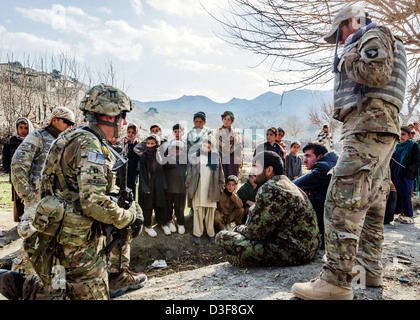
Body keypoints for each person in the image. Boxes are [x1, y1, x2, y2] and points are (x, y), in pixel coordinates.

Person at [292, 5, 407, 300]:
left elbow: (376, 73)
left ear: (350, 22)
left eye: (340, 33)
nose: (340, 42)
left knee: (340, 200)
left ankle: (337, 281)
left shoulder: (373, 33)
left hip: (368, 124)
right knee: (372, 202)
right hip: (380, 127)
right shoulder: (377, 36)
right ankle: (368, 269)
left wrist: (347, 59)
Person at [6, 84, 146, 301]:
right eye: (123, 116)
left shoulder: (71, 136)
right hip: (79, 239)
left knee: (60, 283)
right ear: (109, 116)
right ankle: (26, 286)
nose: (125, 122)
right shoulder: (90, 145)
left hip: (59, 228)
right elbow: (94, 202)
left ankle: (21, 284)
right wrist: (128, 218)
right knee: (90, 293)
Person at [216, 151, 321, 267]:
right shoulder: (287, 183)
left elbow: (255, 234)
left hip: (294, 253)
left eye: (255, 166)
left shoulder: (270, 188)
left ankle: (245, 260)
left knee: (222, 237)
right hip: (309, 249)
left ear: (269, 170)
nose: (252, 171)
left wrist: (239, 228)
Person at [10, 107, 75, 275]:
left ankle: (43, 279)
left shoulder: (63, 140)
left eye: (72, 124)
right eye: (66, 122)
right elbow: (18, 164)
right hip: (37, 198)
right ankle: (17, 278)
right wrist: (27, 194)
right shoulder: (37, 136)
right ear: (55, 120)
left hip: (56, 199)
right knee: (34, 234)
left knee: (49, 239)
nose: (69, 126)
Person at [294, 142, 339, 250]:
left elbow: (295, 185)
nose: (305, 160)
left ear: (320, 157)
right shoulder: (330, 163)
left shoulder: (323, 168)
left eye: (308, 156)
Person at [186, 137, 224, 244]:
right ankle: (197, 234)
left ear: (212, 148)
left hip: (211, 188)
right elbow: (189, 173)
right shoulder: (195, 157)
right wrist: (188, 185)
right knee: (198, 212)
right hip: (198, 188)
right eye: (204, 145)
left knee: (210, 213)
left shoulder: (215, 157)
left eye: (208, 147)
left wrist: (220, 187)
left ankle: (211, 234)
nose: (205, 148)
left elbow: (221, 174)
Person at [2, 118, 34, 222]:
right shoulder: (10, 143)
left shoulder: (34, 140)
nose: (23, 130)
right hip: (17, 176)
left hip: (31, 175)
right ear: (17, 128)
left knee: (31, 198)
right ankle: (20, 221)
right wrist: (9, 171)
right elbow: (5, 159)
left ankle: (30, 221)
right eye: (21, 127)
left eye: (26, 128)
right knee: (18, 199)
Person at [138, 134, 170, 237]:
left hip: (159, 184)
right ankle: (147, 226)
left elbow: (165, 170)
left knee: (160, 204)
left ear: (157, 144)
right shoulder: (144, 157)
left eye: (153, 143)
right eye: (148, 143)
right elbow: (142, 174)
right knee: (148, 205)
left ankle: (162, 223)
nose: (150, 145)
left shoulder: (161, 156)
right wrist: (144, 187)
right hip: (148, 184)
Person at [390, 126, 420, 224]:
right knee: (397, 194)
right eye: (399, 134)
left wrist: (409, 169)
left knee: (406, 194)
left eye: (403, 134)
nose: (401, 136)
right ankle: (401, 214)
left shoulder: (414, 145)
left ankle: (409, 215)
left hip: (407, 174)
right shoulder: (396, 145)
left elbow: (417, 161)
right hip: (395, 174)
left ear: (409, 135)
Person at [163, 124, 188, 234]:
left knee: (180, 205)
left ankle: (181, 222)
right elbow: (164, 162)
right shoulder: (168, 146)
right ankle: (169, 221)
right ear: (173, 132)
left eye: (179, 131)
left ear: (183, 132)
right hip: (169, 181)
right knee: (168, 204)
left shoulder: (187, 147)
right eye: (175, 131)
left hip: (181, 182)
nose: (177, 133)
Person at [214, 111, 243, 180]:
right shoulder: (217, 132)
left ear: (232, 121)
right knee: (221, 179)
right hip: (220, 159)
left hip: (232, 160)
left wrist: (239, 160)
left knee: (232, 180)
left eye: (228, 119)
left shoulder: (235, 134)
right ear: (222, 119)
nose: (226, 121)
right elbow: (215, 146)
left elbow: (238, 148)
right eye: (224, 119)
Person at [122, 123, 141, 201]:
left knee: (131, 194)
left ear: (136, 133)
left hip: (132, 173)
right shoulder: (123, 142)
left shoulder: (138, 145)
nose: (130, 134)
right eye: (129, 132)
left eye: (133, 132)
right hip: (122, 172)